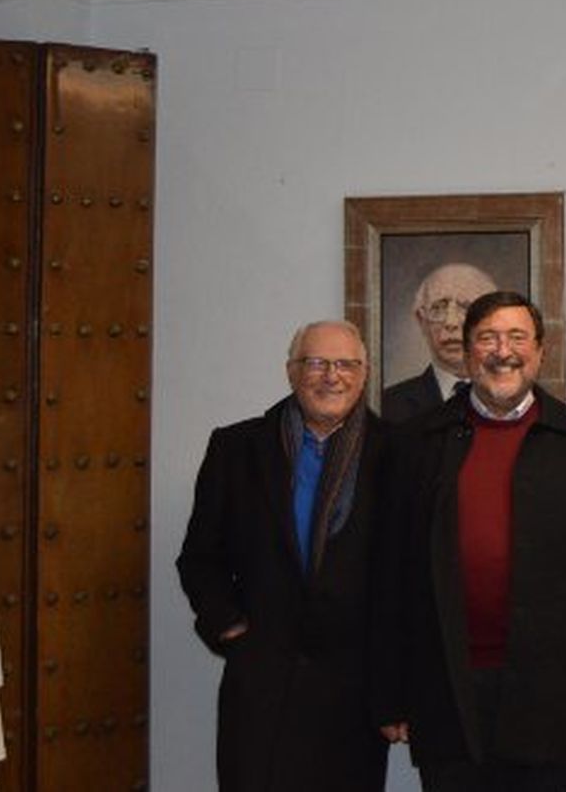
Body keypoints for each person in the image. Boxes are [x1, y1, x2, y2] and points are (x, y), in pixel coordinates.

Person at [372, 290, 566, 791]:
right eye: (488, 338)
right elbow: (390, 577)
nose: (502, 351)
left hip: (553, 697)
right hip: (445, 692)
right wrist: (389, 692)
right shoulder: (414, 445)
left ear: (540, 351)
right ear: (468, 351)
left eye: (517, 337)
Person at [176, 320, 389, 791]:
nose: (331, 376)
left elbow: (407, 575)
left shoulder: (395, 453)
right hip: (261, 687)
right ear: (291, 372)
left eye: (345, 364)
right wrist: (230, 627)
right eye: (315, 363)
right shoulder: (236, 449)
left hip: (354, 694)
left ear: (364, 374)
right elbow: (200, 557)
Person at [380, 262, 498, 422]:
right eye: (438, 308)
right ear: (421, 321)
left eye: (466, 307)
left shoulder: (513, 397)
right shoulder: (388, 406)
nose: (451, 322)